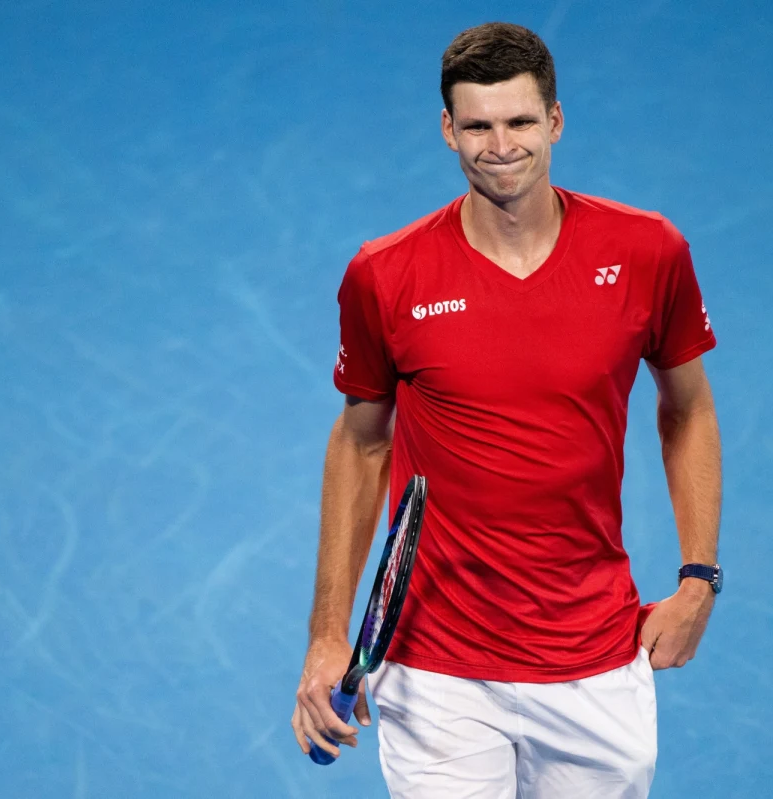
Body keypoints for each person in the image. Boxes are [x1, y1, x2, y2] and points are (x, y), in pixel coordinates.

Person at [291, 21, 722, 799]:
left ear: (555, 120)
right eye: (478, 125)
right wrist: (328, 635)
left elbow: (687, 408)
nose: (501, 145)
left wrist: (698, 579)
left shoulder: (648, 251)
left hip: (595, 655)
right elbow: (360, 445)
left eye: (521, 121)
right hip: (436, 667)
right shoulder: (386, 275)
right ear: (447, 131)